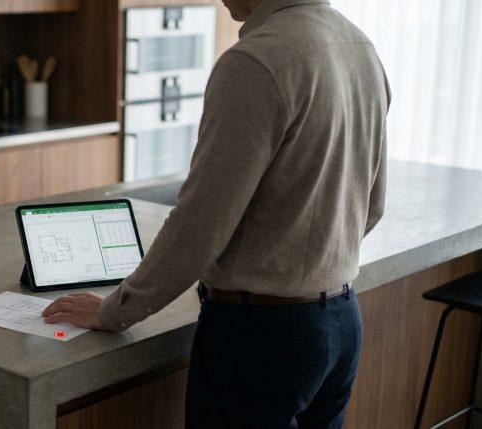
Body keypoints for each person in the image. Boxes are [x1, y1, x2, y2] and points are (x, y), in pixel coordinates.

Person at [42, 0, 390, 426]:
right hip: (342, 323)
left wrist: (114, 311)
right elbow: (371, 205)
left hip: (261, 337)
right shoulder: (359, 46)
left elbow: (199, 228)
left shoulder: (255, 62)